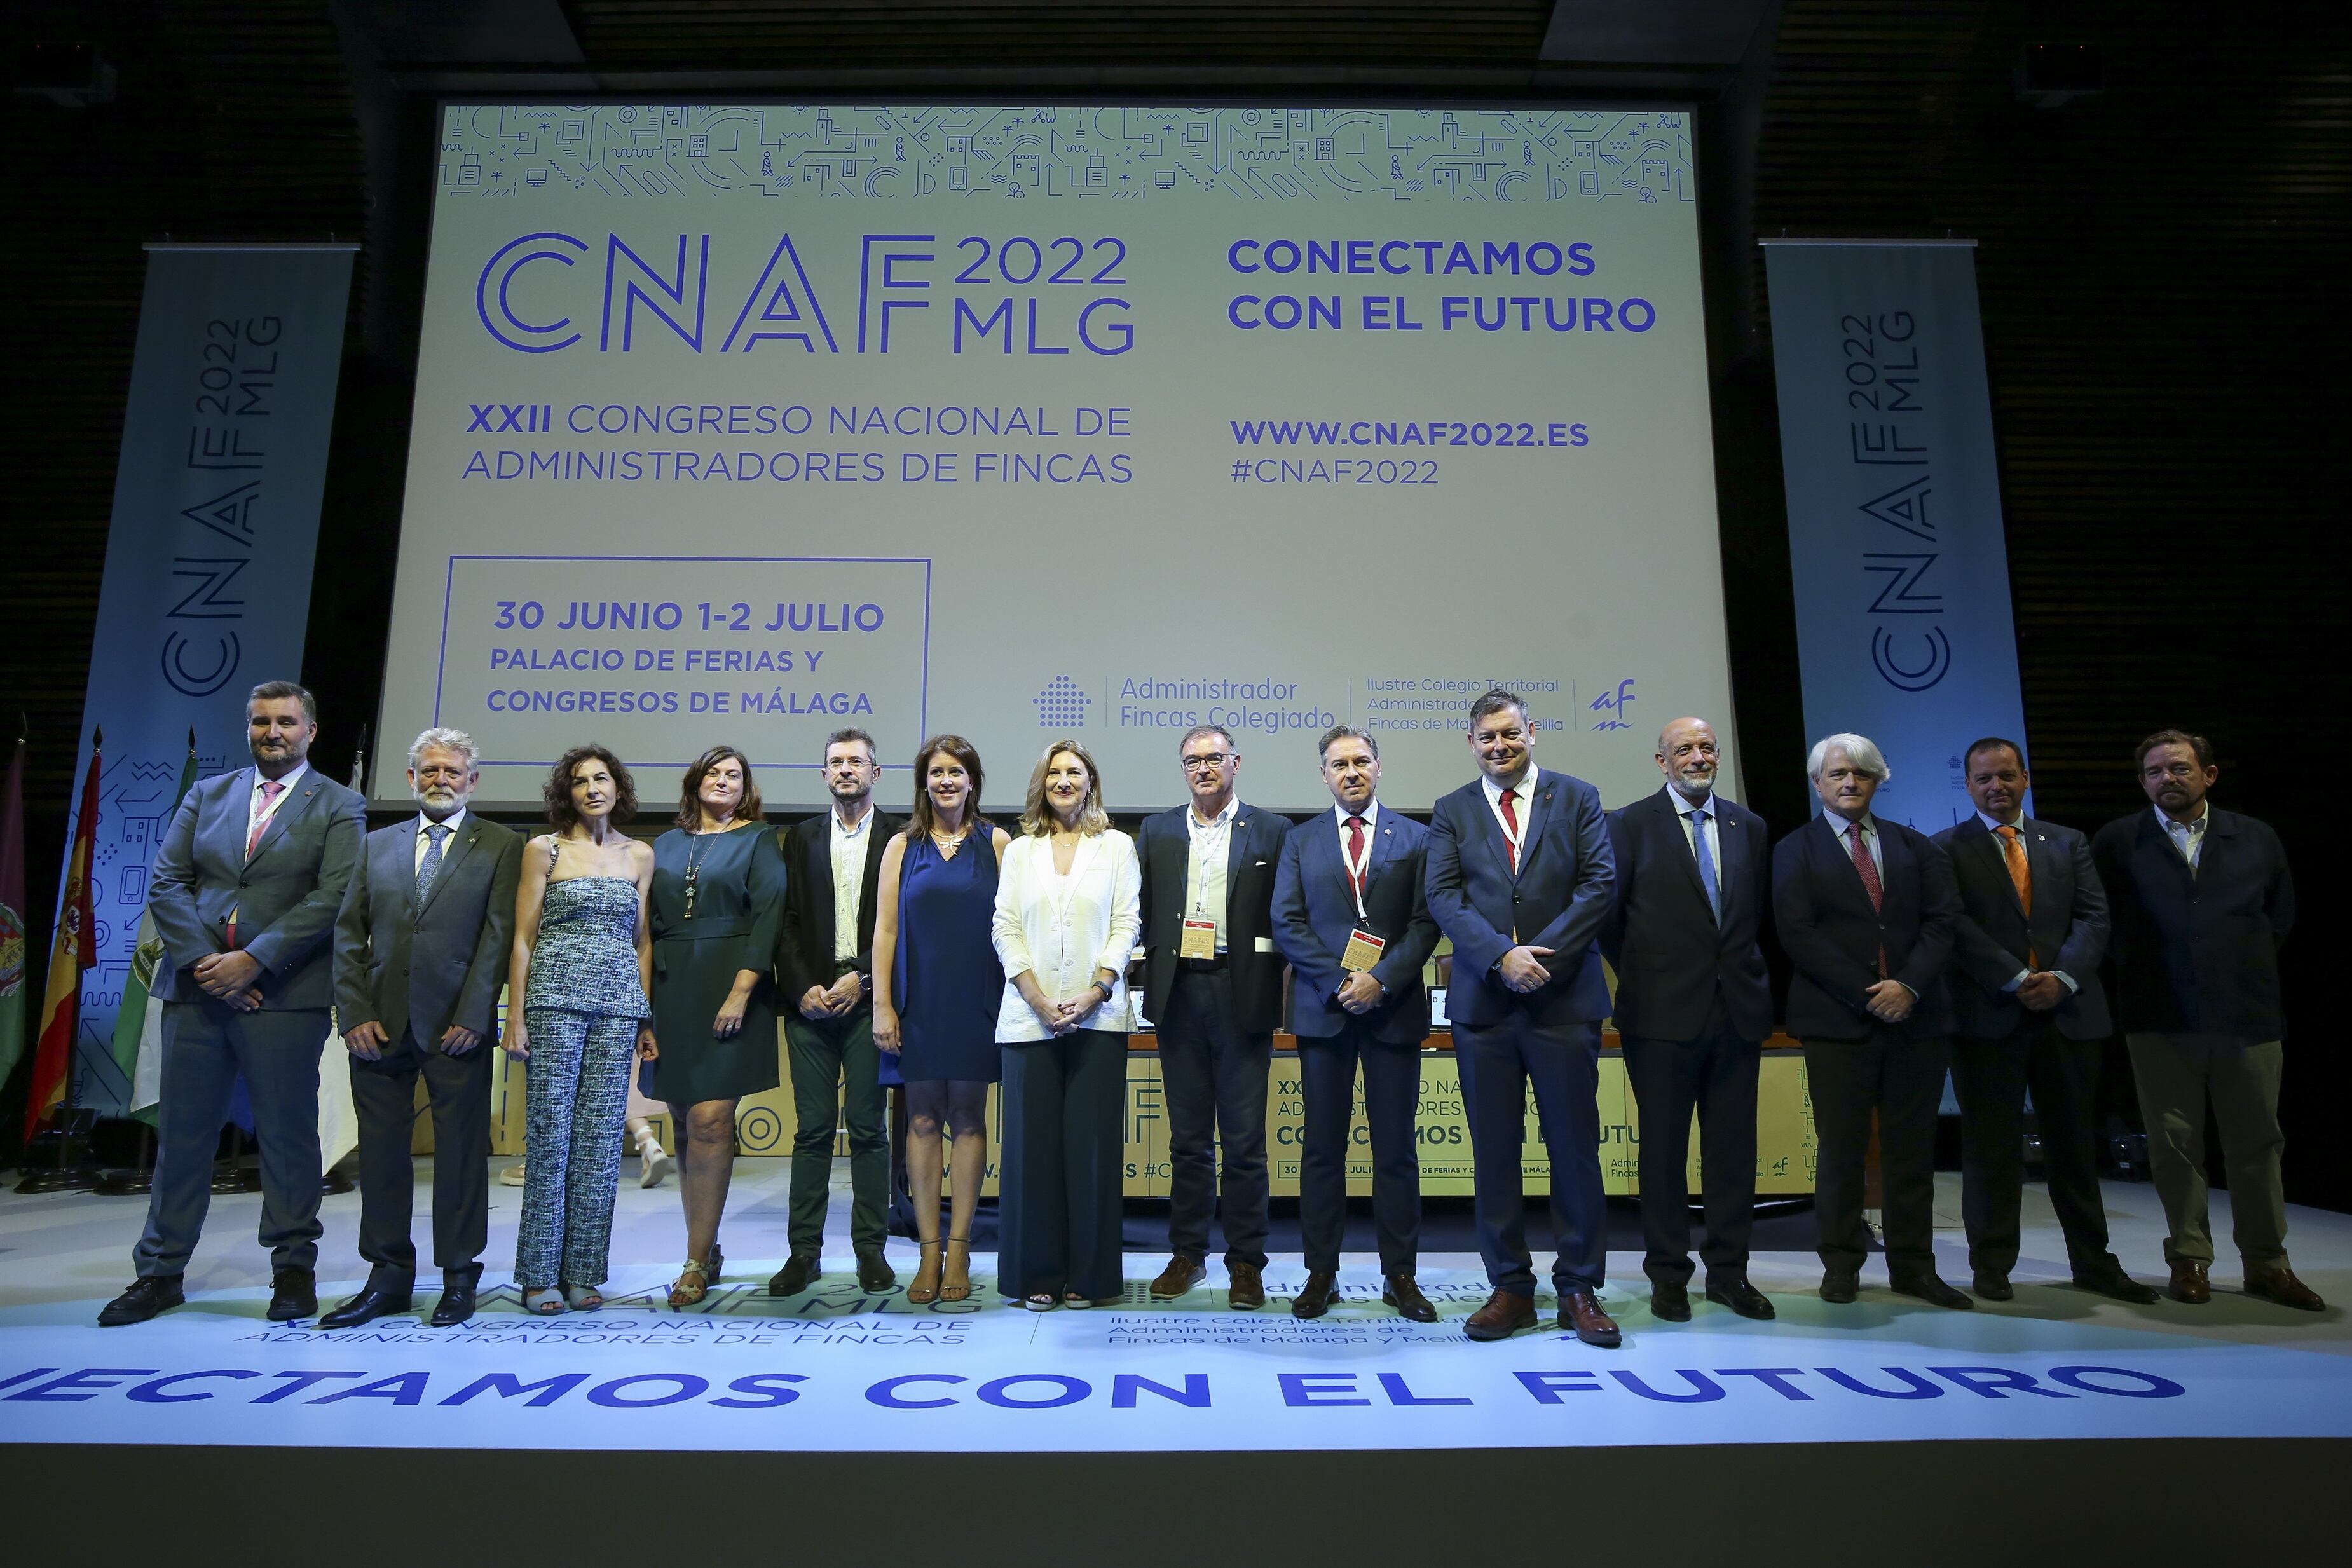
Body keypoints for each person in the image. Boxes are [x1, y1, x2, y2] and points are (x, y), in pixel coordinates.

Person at [100, 681, 366, 1327]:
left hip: (285, 996)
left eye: (285, 722)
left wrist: (255, 960)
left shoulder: (341, 804)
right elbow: (168, 881)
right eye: (260, 721)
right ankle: (160, 1272)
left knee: (288, 1139)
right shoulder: (206, 794)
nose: (272, 732)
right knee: (183, 1139)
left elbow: (333, 896)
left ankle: (293, 1269)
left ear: (310, 731)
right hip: (196, 993)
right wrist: (205, 963)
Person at [2092, 730, 2317, 1310]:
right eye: (2155, 771)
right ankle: (2189, 1259)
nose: (2167, 778)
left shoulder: (2255, 836)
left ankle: (2267, 1263)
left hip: (2246, 1014)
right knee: (2174, 1146)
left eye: (2180, 768)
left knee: (2257, 1143)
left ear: (2209, 775)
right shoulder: (2117, 841)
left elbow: (2278, 917)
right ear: (2142, 782)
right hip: (2158, 1016)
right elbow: (2103, 924)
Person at [1425, 688, 1620, 1347]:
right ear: (1471, 743)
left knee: (1574, 1150)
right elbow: (1443, 896)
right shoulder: (1452, 809)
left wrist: (1539, 958)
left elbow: (1598, 885)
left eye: (1510, 733)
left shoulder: (1578, 797)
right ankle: (1510, 1288)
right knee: (1494, 1153)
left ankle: (1579, 1287)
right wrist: (1500, 956)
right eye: (1487, 737)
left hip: (1563, 1001)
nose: (1499, 746)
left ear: (1531, 733)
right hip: (1485, 1004)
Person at [1934, 737, 2157, 1305]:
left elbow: (2094, 917)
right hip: (1987, 1019)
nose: (1996, 786)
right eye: (1984, 778)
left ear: (2025, 778)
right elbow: (1953, 925)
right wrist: (2014, 977)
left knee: (2074, 1147)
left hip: (2067, 1013)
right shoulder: (1944, 848)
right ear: (1968, 785)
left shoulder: (2067, 841)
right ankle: (1991, 1265)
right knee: (1991, 1150)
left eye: (2006, 775)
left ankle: (2093, 1263)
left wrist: (2062, 978)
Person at [322, 726, 523, 1330]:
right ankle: (387, 1278)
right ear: (411, 778)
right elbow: (348, 933)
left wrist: (474, 1013)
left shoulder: (502, 844)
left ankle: (459, 1278)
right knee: (382, 1156)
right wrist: (354, 1012)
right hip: (377, 1025)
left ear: (472, 781)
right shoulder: (375, 844)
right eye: (429, 770)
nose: (441, 780)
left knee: (460, 1156)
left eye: (452, 772)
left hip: (457, 1026)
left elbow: (498, 937)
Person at [1773, 733, 1966, 1309]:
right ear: (1818, 783)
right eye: (1837, 774)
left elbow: (1942, 922)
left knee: (1912, 1152)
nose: (1850, 782)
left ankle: (1914, 1267)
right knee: (1841, 1151)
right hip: (1838, 1022)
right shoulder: (1794, 849)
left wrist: (1908, 986)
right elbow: (1797, 932)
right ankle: (1841, 1265)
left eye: (1860, 773)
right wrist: (1869, 995)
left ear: (1878, 779)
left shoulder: (1916, 845)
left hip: (1915, 1020)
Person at [1601, 717, 1775, 1324]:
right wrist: (1652, 972)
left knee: (1733, 1153)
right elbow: (1609, 920)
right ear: (1662, 761)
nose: (1697, 757)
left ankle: (1730, 1273)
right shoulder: (1628, 824)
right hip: (1659, 1013)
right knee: (1663, 1153)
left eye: (1706, 748)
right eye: (1684, 749)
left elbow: (1752, 915)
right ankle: (1669, 1275)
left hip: (1738, 1012)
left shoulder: (1749, 826)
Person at [1270, 725, 1440, 1321]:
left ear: (1378, 766)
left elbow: (1426, 922)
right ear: (1324, 773)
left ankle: (1401, 1275)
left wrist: (1380, 979)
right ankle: (1321, 1272)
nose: (1351, 772)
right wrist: (1341, 981)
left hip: (1393, 1008)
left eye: (1361, 761)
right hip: (1325, 1011)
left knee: (1396, 1149)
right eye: (1339, 764)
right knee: (1322, 1148)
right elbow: (1288, 921)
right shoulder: (1299, 840)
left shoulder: (1417, 837)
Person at [1135, 725, 1289, 1308]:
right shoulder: (1157, 830)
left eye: (1214, 758)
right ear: (1183, 768)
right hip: (1178, 994)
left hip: (1241, 991)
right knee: (1188, 1140)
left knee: (1245, 1141)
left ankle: (1246, 1261)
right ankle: (1188, 1254)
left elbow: (1285, 913)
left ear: (1235, 763)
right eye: (1193, 760)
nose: (1204, 768)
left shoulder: (1272, 830)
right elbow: (1143, 909)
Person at [503, 744, 657, 1315]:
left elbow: (643, 941)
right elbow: (523, 939)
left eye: (601, 778)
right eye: (579, 781)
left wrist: (644, 1013)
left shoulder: (640, 854)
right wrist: (516, 1015)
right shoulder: (544, 849)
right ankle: (538, 1273)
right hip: (554, 1003)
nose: (592, 788)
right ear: (565, 793)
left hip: (617, 1008)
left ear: (618, 787)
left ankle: (583, 1271)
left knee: (600, 1144)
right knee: (551, 1137)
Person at [992, 739, 1141, 1311]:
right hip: (1028, 1018)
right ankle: (1038, 1272)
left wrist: (1097, 989)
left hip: (1097, 1016)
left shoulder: (1117, 846)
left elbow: (1127, 923)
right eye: (1054, 772)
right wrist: (1034, 996)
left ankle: (1089, 1275)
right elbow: (1005, 926)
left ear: (1090, 782)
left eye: (1074, 772)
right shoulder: (1020, 850)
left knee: (1092, 1150)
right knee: (1031, 1153)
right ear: (1042, 783)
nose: (1063, 780)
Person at [646, 745, 786, 1307]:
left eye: (734, 775)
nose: (723, 780)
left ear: (746, 788)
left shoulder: (759, 839)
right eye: (714, 772)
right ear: (695, 781)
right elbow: (647, 926)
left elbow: (769, 916)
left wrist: (742, 990)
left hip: (732, 985)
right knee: (683, 1121)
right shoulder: (663, 844)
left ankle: (695, 1261)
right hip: (672, 988)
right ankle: (704, 1245)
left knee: (710, 1120)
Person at [872, 735, 1009, 1304]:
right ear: (923, 782)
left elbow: (1012, 927)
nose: (946, 781)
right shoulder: (901, 845)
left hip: (978, 1000)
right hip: (918, 1002)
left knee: (969, 1119)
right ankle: (928, 1250)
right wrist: (883, 1004)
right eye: (936, 772)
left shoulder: (998, 842)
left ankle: (960, 1246)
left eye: (956, 771)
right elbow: (885, 930)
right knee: (923, 1119)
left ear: (973, 780)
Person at [772, 728, 899, 1296]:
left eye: (857, 761)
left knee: (870, 1130)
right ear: (824, 774)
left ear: (876, 772)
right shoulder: (800, 838)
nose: (846, 769)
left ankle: (871, 1251)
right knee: (813, 1131)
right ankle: (803, 1252)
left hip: (872, 1002)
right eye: (836, 762)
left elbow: (904, 923)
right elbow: (786, 921)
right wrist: (802, 987)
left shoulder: (901, 836)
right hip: (811, 1006)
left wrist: (865, 978)